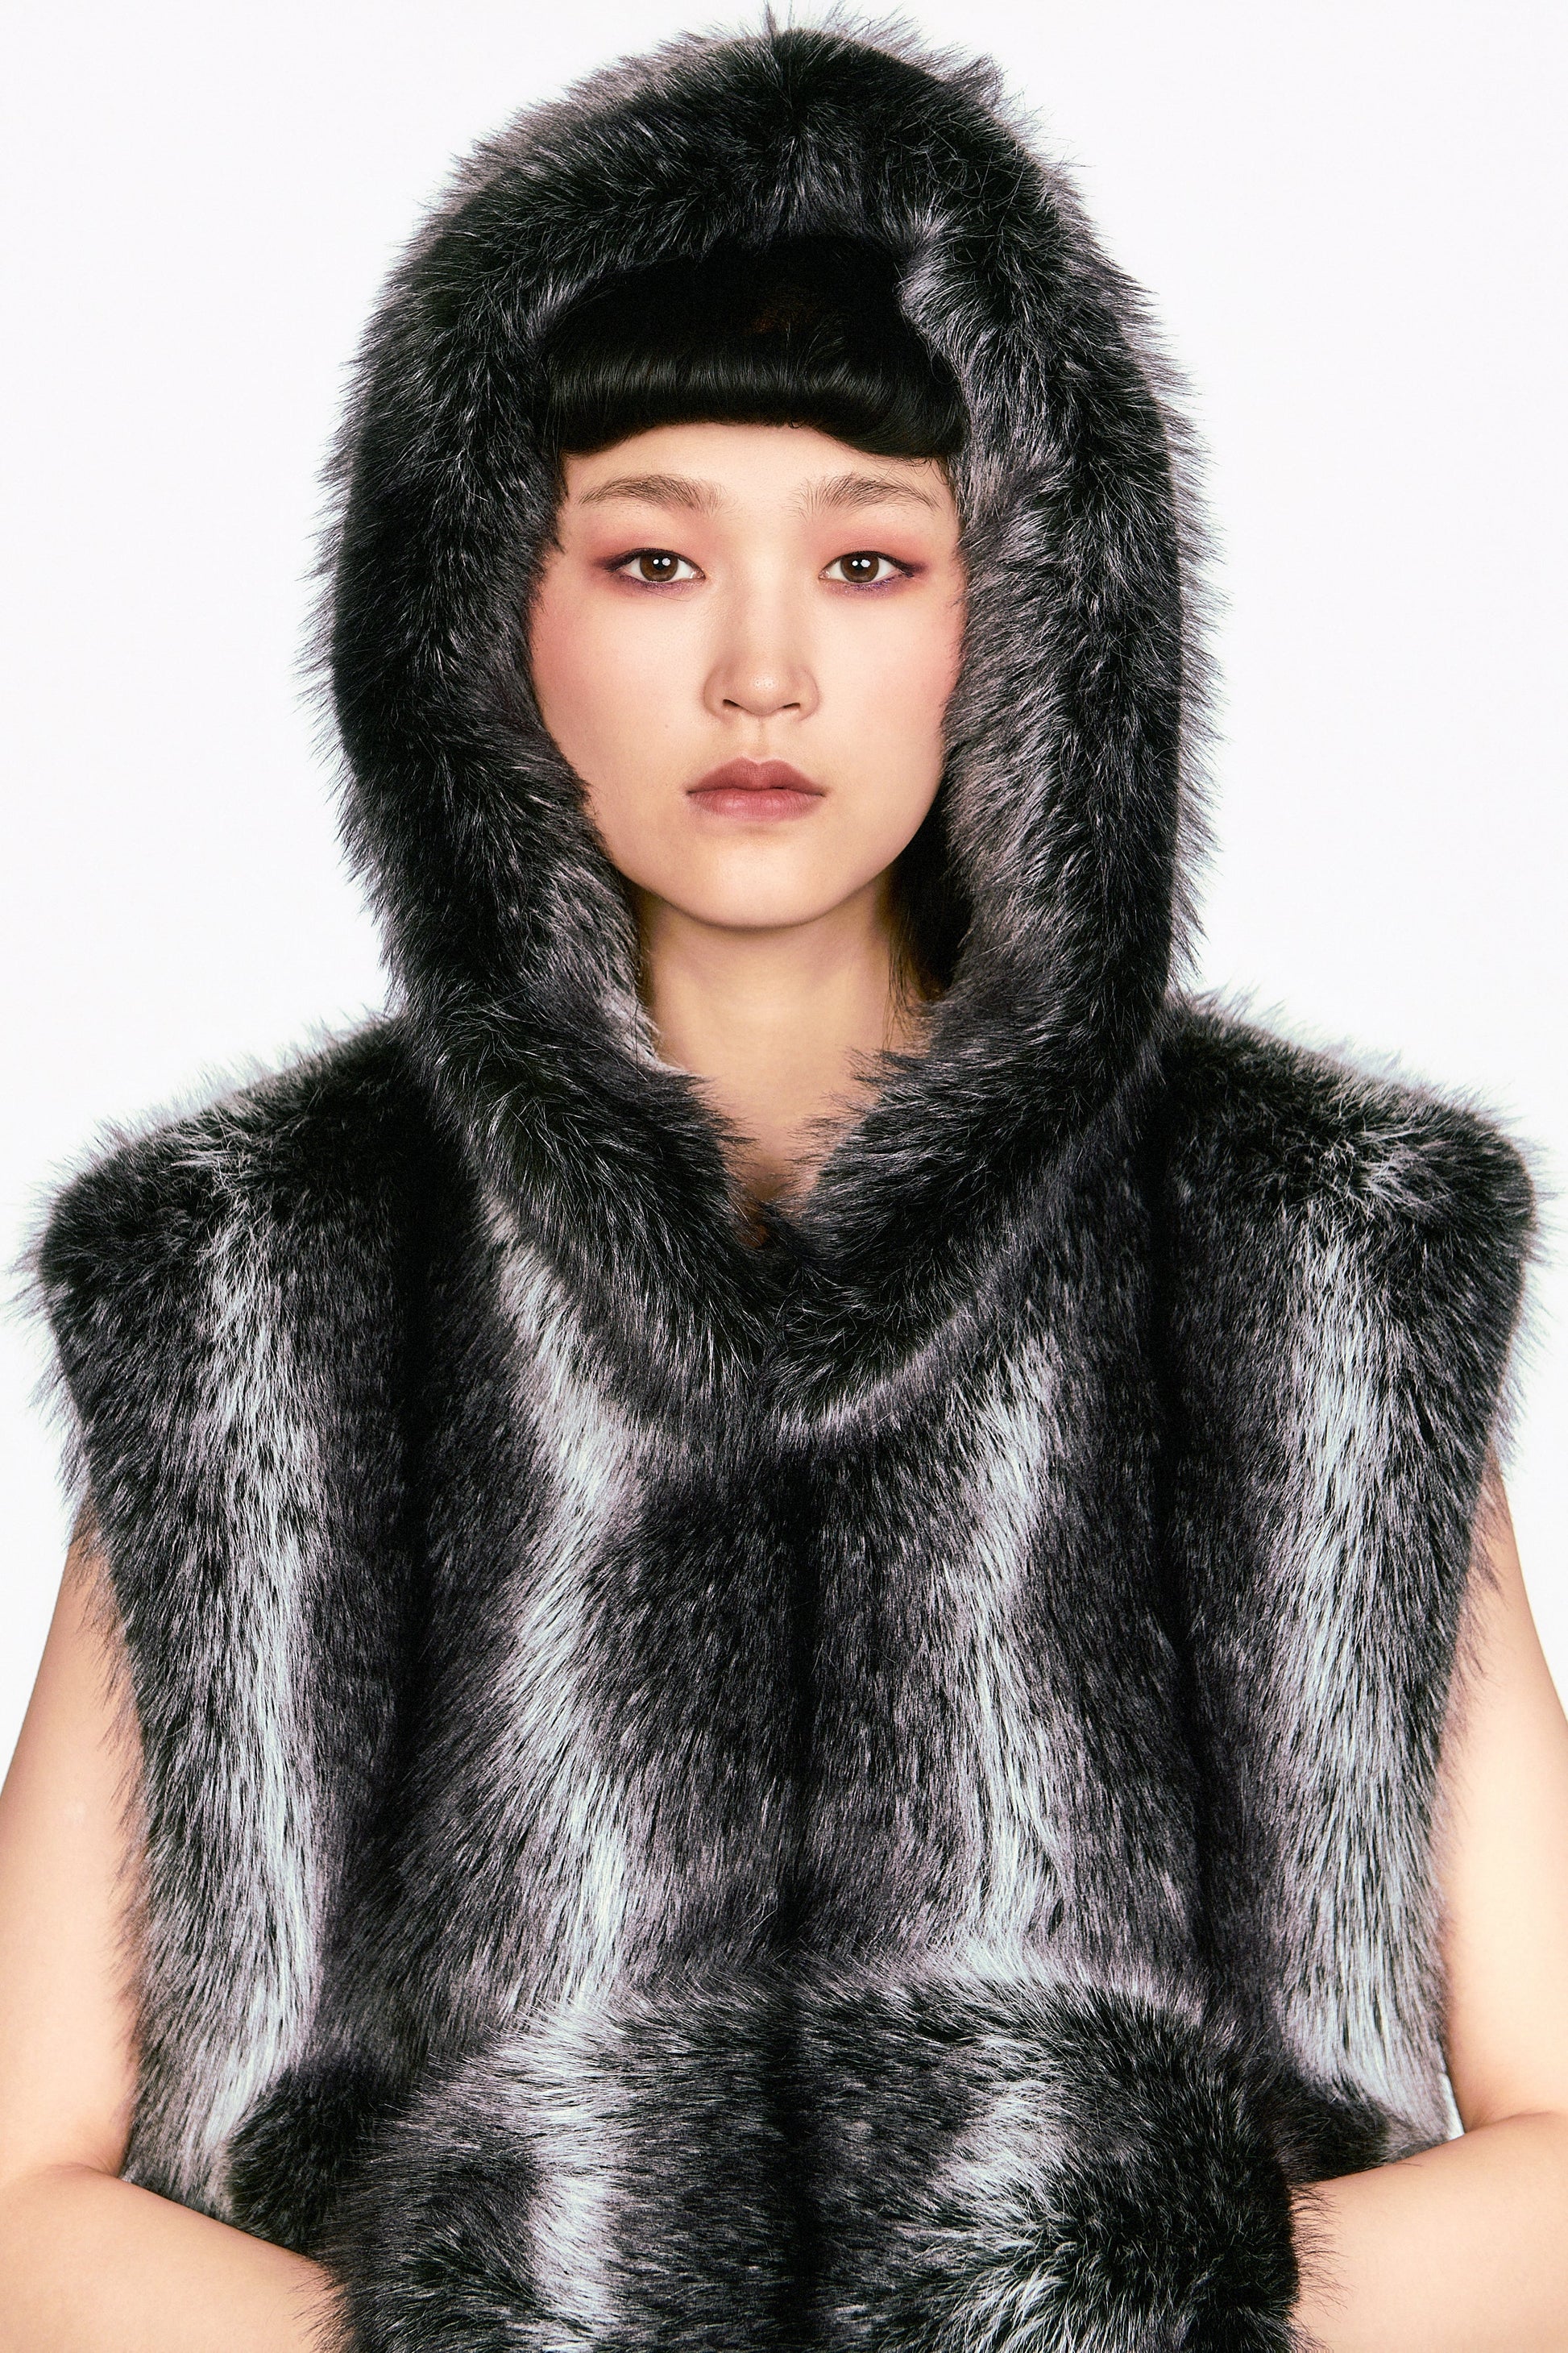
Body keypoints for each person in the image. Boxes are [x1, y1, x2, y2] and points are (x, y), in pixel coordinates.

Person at [2, 23, 1566, 2353]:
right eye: (650, 557)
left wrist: (1089, 2311)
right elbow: (20, 2196)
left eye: (865, 558)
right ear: (482, 618)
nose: (760, 671)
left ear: (1026, 613)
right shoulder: (253, 1281)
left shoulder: (1311, 1257)